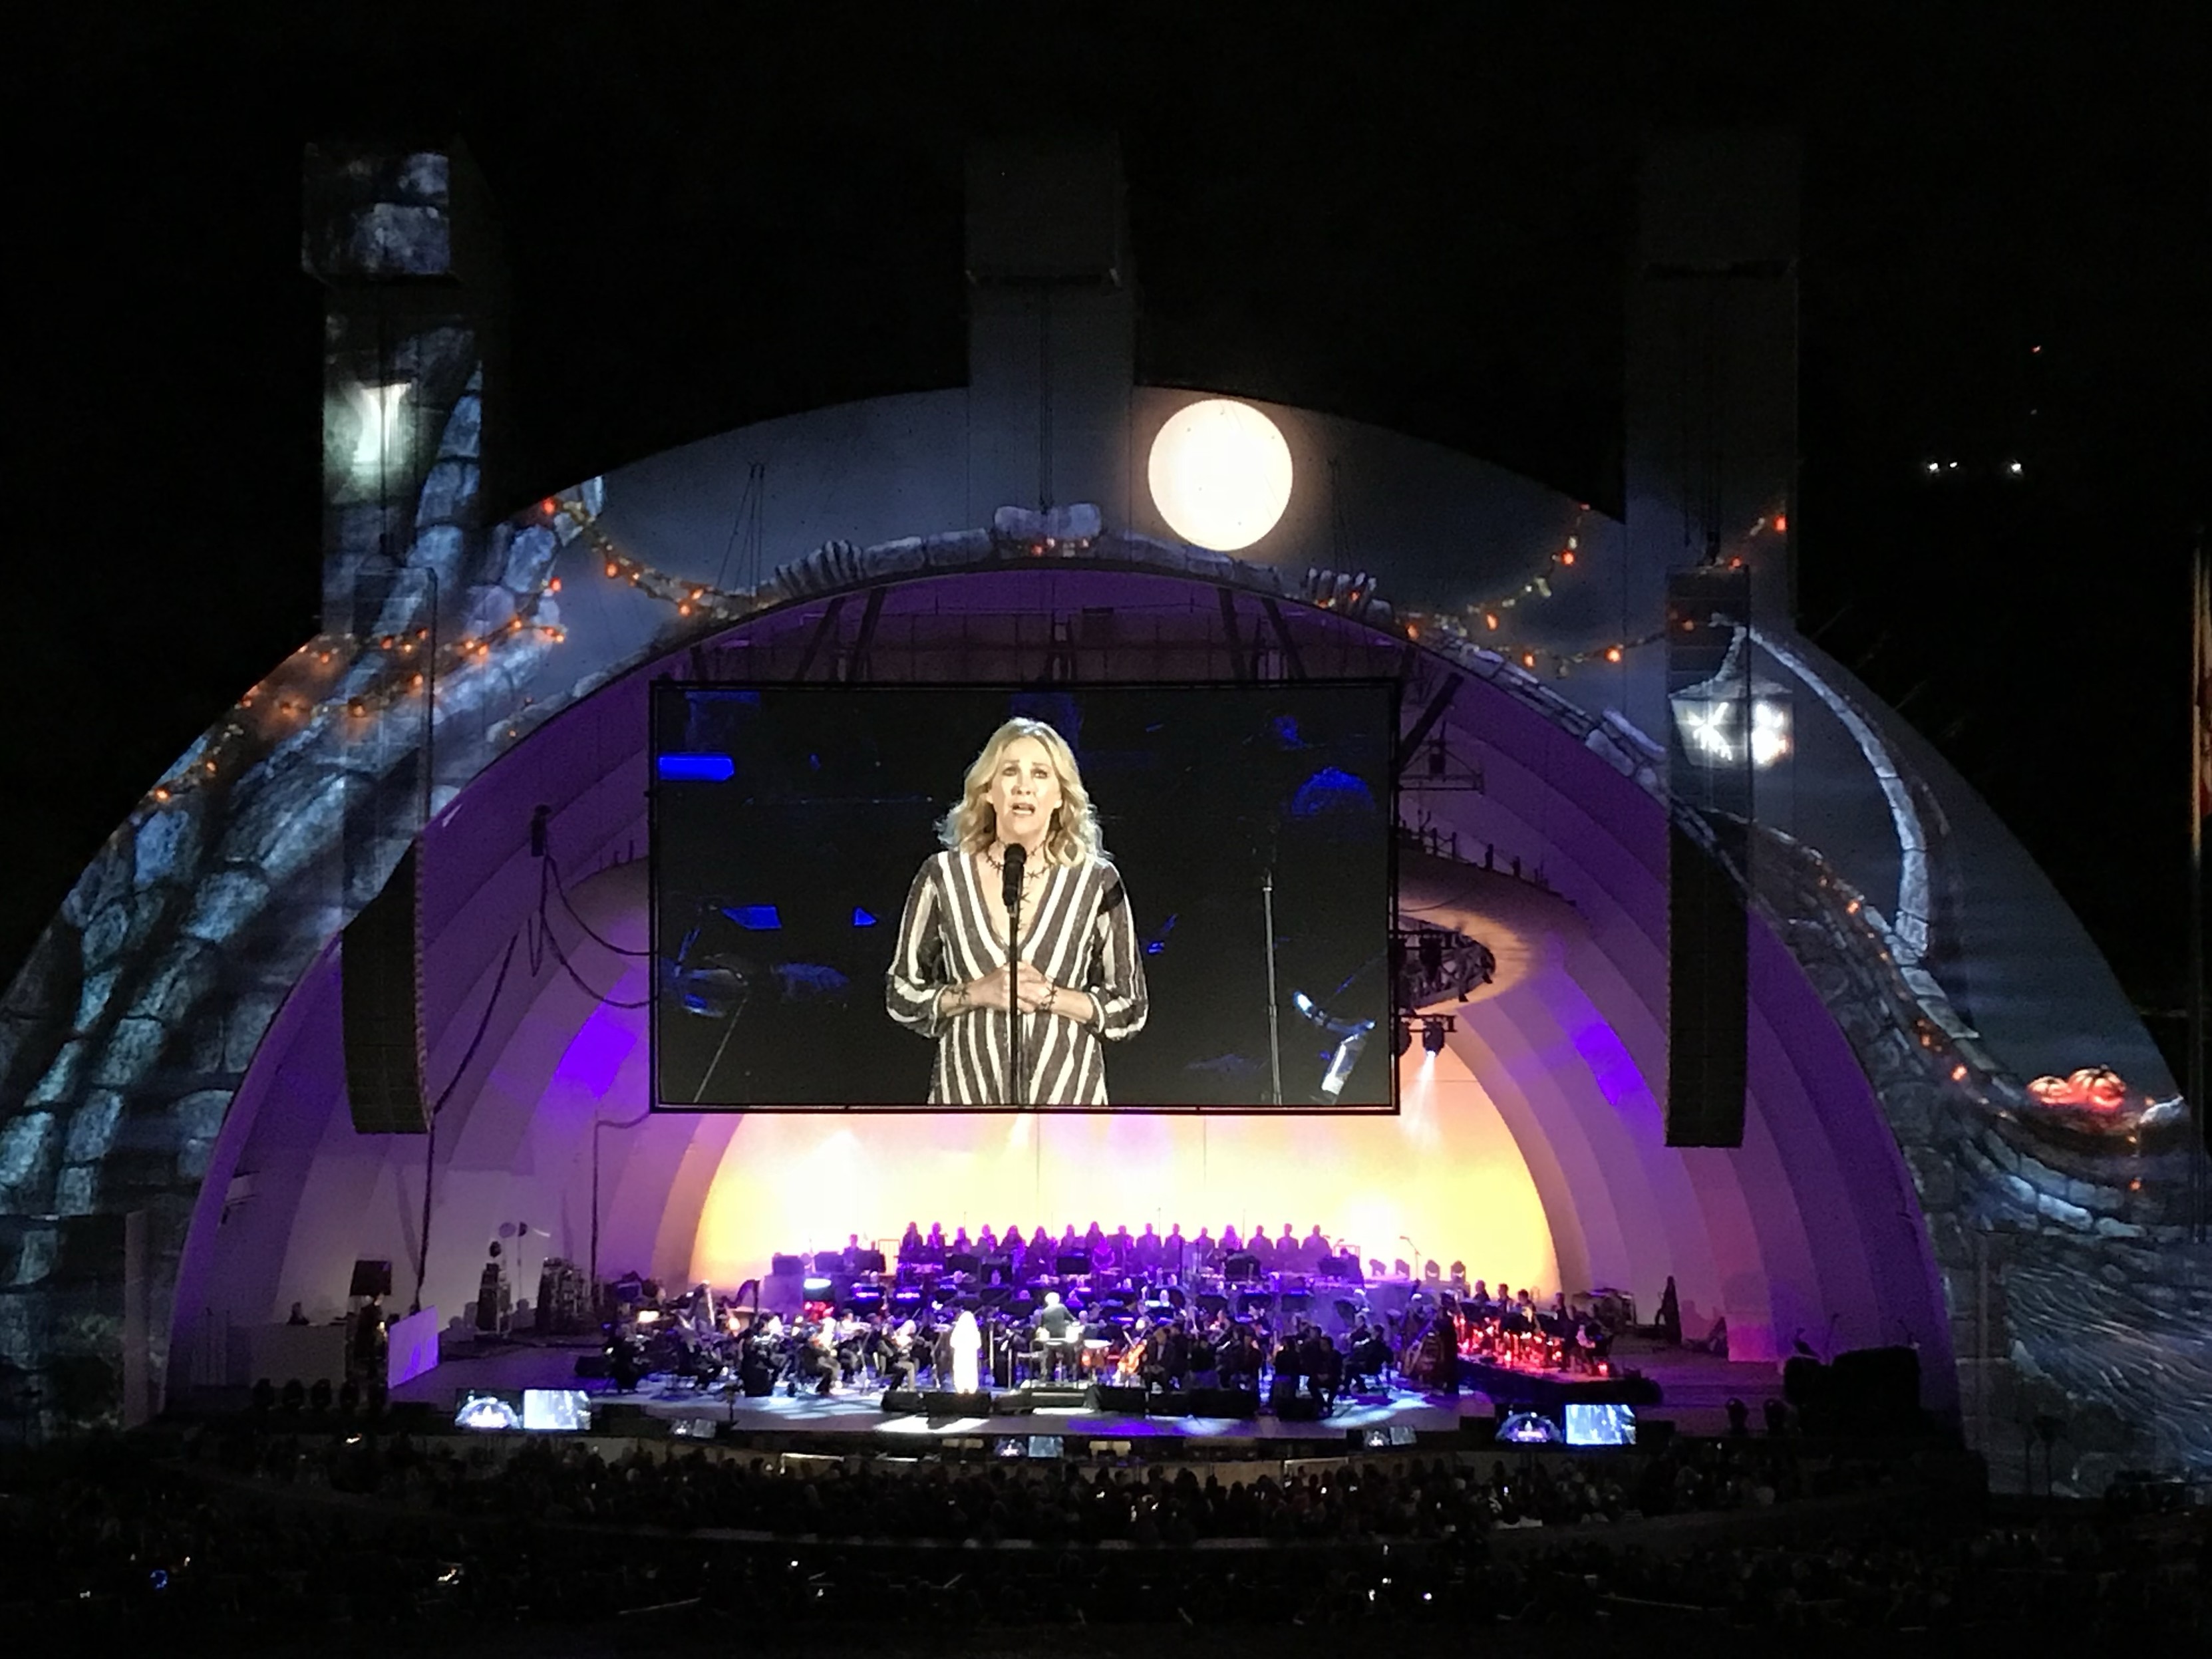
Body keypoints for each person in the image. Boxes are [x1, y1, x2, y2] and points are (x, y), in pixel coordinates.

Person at [885, 718, 1149, 1105]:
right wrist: (976, 993)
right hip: (966, 1109)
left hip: (1068, 1116)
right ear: (989, 790)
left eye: (1040, 773)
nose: (1024, 785)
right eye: (1010, 771)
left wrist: (1050, 997)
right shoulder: (942, 875)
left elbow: (1131, 1008)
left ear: (1060, 795)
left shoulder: (1096, 881)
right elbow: (901, 993)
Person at [949, 1309, 983, 1396]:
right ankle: (971, 1390)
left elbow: (952, 1343)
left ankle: (960, 1389)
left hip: (960, 1356)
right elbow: (978, 1344)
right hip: (970, 1356)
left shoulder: (957, 1331)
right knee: (970, 1372)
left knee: (960, 1371)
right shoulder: (975, 1332)